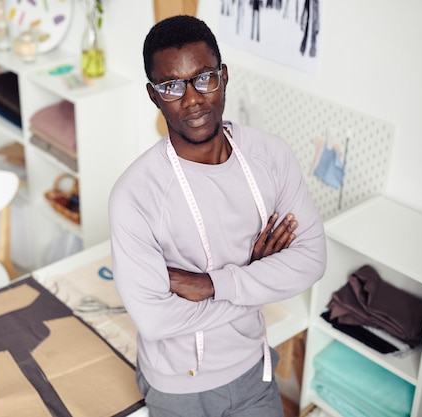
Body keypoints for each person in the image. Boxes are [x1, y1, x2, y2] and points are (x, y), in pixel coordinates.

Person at [108, 15, 326, 416]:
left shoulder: (271, 156)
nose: (192, 99)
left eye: (204, 77)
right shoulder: (134, 194)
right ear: (153, 96)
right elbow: (155, 321)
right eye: (171, 86)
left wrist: (212, 284)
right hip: (178, 387)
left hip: (254, 370)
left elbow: (311, 261)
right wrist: (256, 280)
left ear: (223, 76)